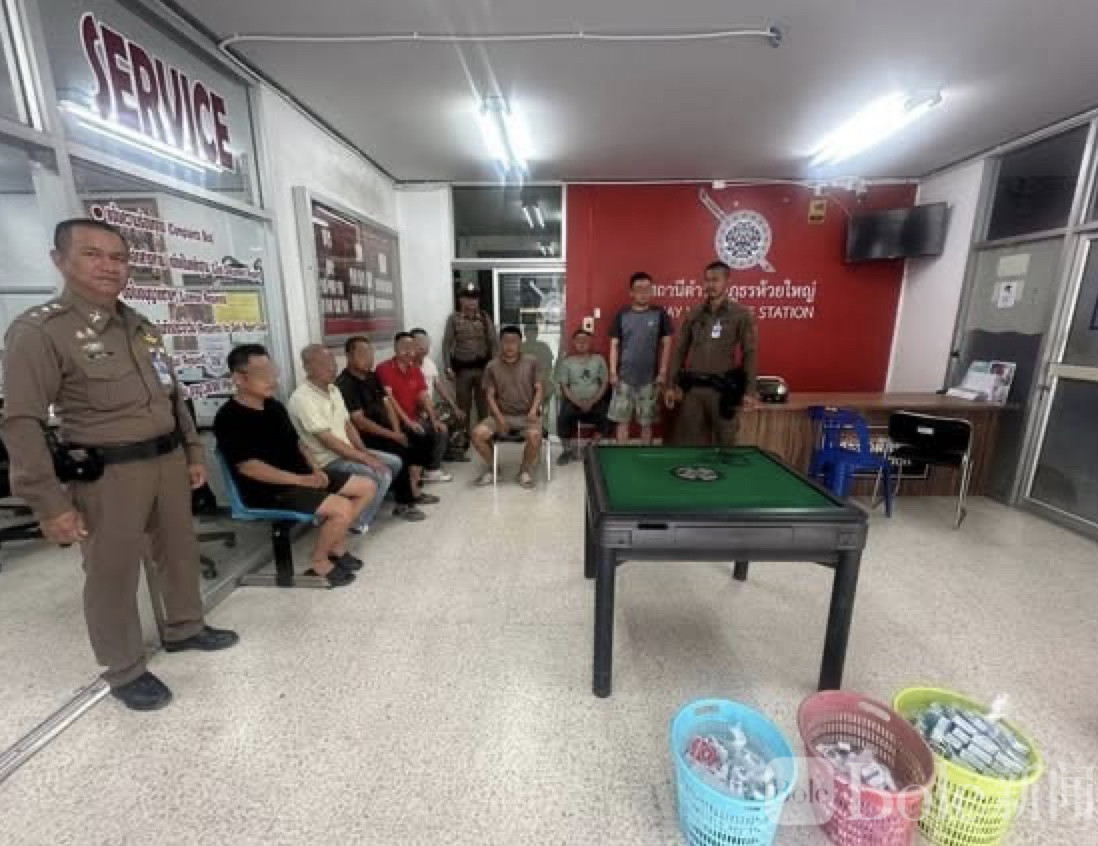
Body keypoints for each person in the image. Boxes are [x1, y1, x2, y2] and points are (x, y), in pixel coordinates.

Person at [1, 218, 238, 712]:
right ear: (59, 260)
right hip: (109, 473)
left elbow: (173, 396)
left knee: (179, 551)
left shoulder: (140, 326)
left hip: (166, 460)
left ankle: (185, 627)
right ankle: (125, 669)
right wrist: (49, 503)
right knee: (112, 572)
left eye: (118, 257)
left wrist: (192, 452)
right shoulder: (40, 331)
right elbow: (21, 422)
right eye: (92, 255)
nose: (109, 266)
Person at [215, 344, 377, 587]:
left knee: (367, 487)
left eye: (272, 371)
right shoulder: (228, 418)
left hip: (302, 477)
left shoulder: (274, 407)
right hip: (269, 489)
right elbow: (250, 468)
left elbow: (299, 444)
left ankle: (336, 545)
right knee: (341, 507)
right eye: (263, 374)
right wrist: (301, 480)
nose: (272, 379)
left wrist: (315, 470)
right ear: (238, 378)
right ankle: (319, 560)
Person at [287, 344, 394, 534]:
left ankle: (360, 506)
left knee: (394, 462)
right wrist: (364, 458)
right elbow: (327, 441)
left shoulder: (334, 390)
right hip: (327, 461)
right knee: (381, 474)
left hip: (347, 453)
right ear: (307, 367)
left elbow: (348, 425)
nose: (332, 368)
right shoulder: (302, 398)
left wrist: (364, 452)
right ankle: (356, 522)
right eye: (324, 364)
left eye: (333, 363)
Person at [336, 335, 433, 520]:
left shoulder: (372, 377)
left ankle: (414, 489)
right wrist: (393, 436)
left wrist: (397, 432)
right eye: (363, 354)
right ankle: (404, 504)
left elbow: (387, 404)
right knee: (400, 451)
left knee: (420, 435)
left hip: (386, 431)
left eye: (370, 353)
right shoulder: (345, 384)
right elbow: (360, 422)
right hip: (365, 437)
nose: (369, 358)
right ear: (349, 356)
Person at [665, 260, 759, 446]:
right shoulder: (694, 313)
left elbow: (749, 353)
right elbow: (680, 350)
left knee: (726, 443)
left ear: (727, 282)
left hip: (723, 391)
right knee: (688, 444)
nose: (710, 285)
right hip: (693, 391)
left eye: (715, 280)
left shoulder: (741, 314)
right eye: (707, 280)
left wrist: (749, 391)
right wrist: (670, 385)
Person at [471, 325, 543, 489]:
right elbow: (490, 395)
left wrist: (533, 411)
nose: (509, 346)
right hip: (501, 415)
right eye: (505, 341)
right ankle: (494, 468)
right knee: (477, 434)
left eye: (514, 341)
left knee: (535, 436)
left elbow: (539, 389)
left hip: (527, 415)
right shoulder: (492, 366)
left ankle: (524, 470)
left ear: (520, 343)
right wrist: (499, 418)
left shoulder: (531, 362)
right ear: (500, 343)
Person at [377, 332, 453, 484]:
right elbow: (390, 399)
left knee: (440, 429)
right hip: (395, 420)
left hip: (414, 417)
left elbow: (424, 396)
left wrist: (434, 419)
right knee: (420, 432)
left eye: (411, 348)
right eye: (404, 347)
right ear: (395, 348)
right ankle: (415, 477)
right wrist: (408, 422)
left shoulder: (415, 369)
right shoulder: (384, 368)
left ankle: (431, 470)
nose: (408, 352)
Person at [608, 271, 674, 444]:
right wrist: (613, 372)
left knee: (647, 423)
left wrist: (662, 372)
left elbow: (667, 343)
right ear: (631, 292)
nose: (644, 293)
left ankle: (645, 455)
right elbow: (614, 344)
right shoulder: (622, 314)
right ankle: (622, 456)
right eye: (639, 289)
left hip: (650, 379)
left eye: (647, 289)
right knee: (622, 421)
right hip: (624, 378)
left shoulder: (659, 314)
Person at [442, 282, 497, 450]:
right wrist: (447, 366)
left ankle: (484, 437)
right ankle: (462, 439)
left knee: (483, 406)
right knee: (463, 406)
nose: (471, 302)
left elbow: (493, 342)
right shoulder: (454, 319)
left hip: (483, 370)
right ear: (461, 300)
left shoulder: (484, 318)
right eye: (467, 298)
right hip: (463, 371)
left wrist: (494, 368)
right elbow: (447, 344)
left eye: (474, 299)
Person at [410, 327, 468, 461]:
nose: (424, 347)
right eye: (419, 343)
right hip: (417, 410)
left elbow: (439, 386)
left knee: (457, 414)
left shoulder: (429, 363)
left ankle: (451, 451)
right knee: (440, 419)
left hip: (430, 406)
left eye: (426, 343)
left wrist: (454, 407)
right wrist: (428, 412)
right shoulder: (409, 365)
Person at [555, 329, 611, 465]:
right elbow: (564, 386)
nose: (582, 343)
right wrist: (578, 403)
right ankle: (567, 451)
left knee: (608, 418)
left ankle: (591, 447)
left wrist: (592, 401)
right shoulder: (567, 362)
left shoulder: (598, 360)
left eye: (585, 340)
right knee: (562, 417)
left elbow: (604, 383)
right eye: (578, 340)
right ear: (574, 343)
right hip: (573, 402)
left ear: (590, 342)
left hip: (595, 401)